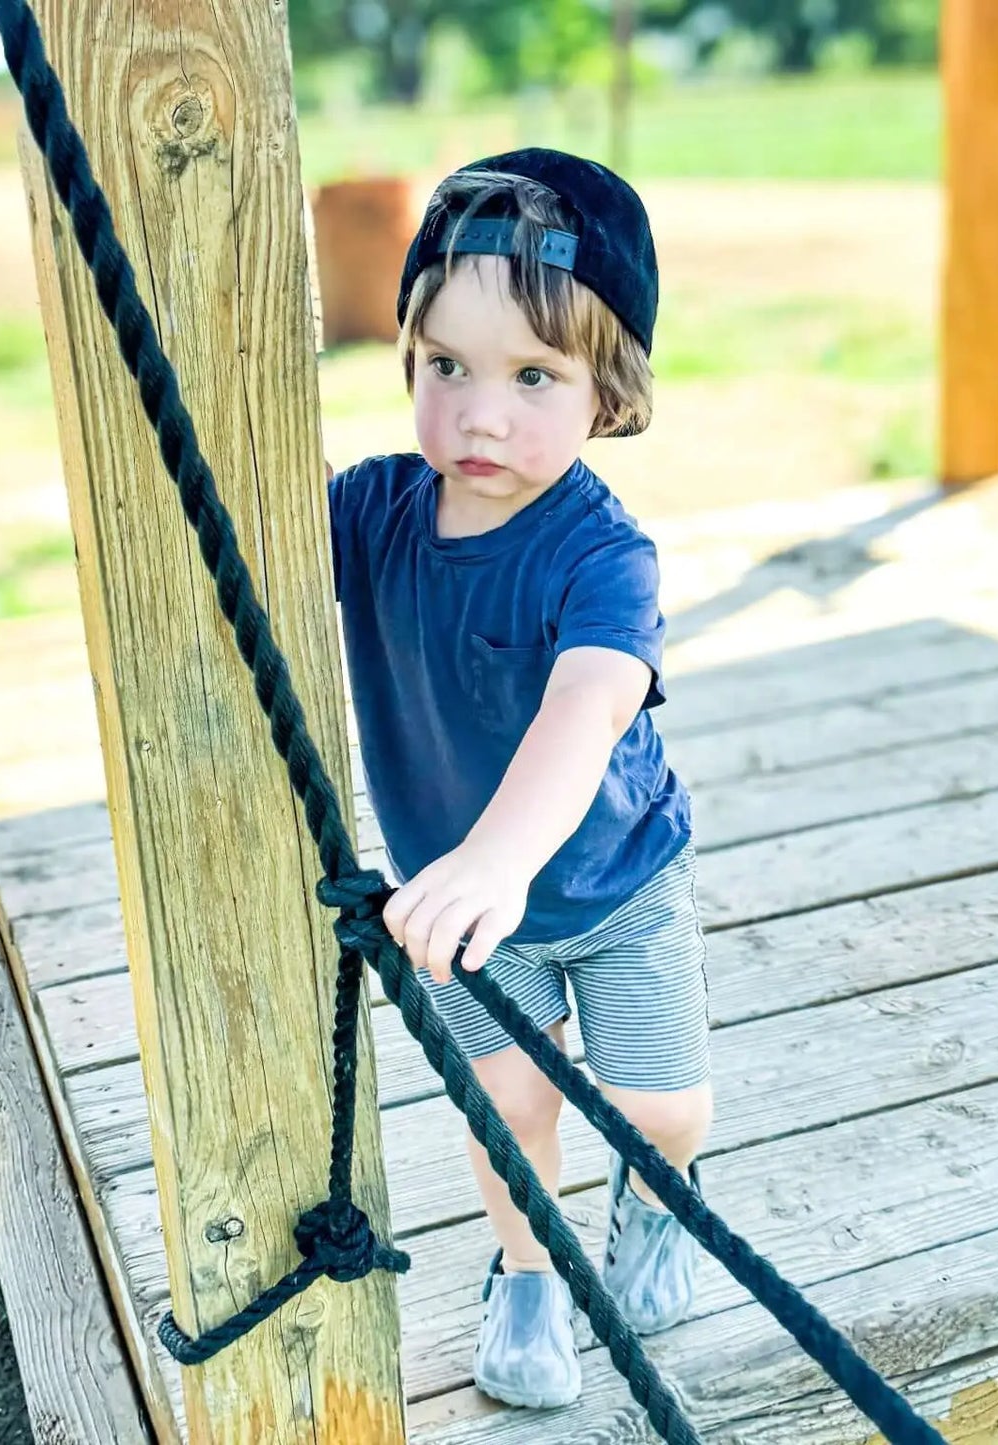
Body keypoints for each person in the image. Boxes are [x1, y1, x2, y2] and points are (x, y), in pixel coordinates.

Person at [325, 148, 713, 1410]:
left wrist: (496, 855)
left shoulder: (603, 556)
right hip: (471, 921)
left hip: (608, 886)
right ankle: (526, 1271)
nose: (478, 415)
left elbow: (585, 705)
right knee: (509, 1109)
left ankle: (657, 1199)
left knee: (658, 1103)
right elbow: (245, 531)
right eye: (445, 366)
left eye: (532, 376)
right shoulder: (375, 513)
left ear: (607, 395)